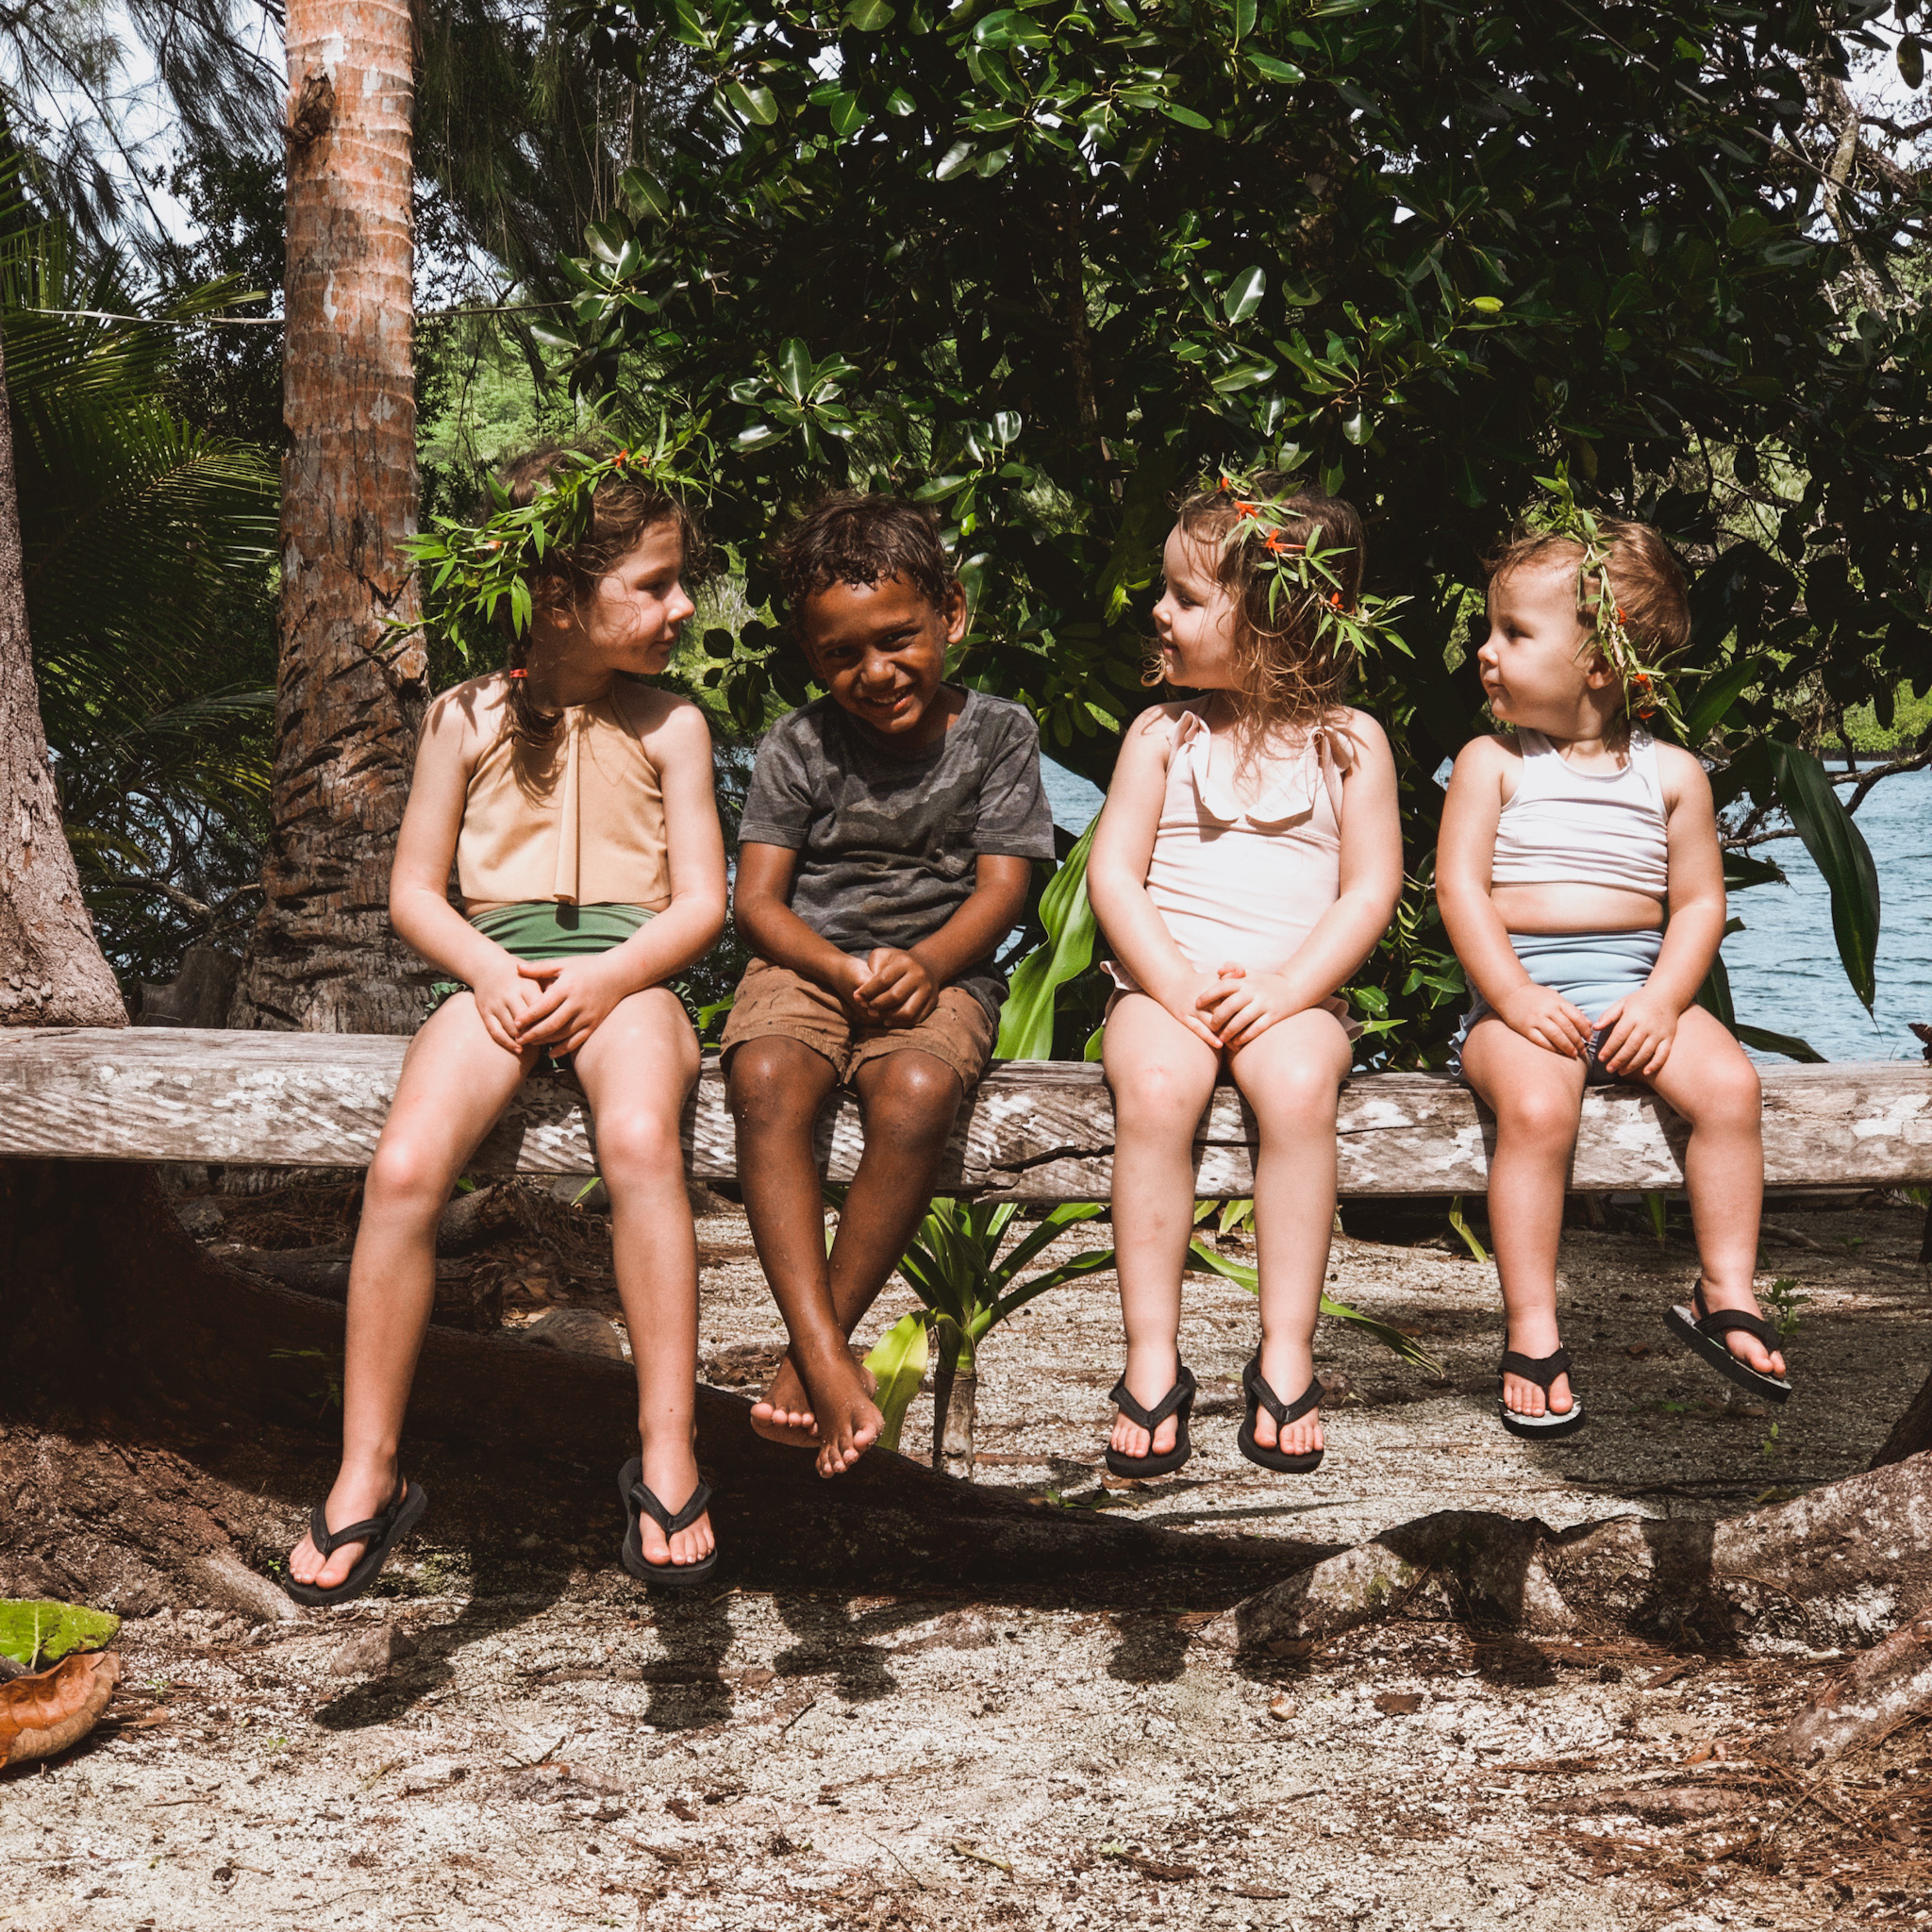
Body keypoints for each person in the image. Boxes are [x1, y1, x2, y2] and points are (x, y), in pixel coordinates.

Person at [282, 444, 728, 1602]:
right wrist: (490, 973)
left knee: (638, 1143)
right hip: (492, 978)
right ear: (561, 597)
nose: (683, 605)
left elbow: (701, 903)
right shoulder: (463, 718)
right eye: (657, 581)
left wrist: (607, 979)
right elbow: (414, 892)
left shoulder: (671, 724)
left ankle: (669, 1446)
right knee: (404, 1169)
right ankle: (365, 1469)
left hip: (628, 978)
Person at [1435, 492, 1789, 1441]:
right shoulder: (1490, 763)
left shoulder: (1669, 772)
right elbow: (1458, 890)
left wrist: (1664, 1002)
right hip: (1518, 1006)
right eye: (1489, 628)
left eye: (1511, 631)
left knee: (1727, 1085)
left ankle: (1723, 1288)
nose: (1485, 649)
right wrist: (1509, 994)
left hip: (1632, 989)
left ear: (1598, 658)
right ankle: (1531, 1326)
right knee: (1541, 1106)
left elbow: (1697, 903)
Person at [723, 494, 1056, 1478]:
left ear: (949, 612)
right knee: (767, 1077)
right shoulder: (798, 743)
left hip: (943, 968)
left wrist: (928, 963)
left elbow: (1005, 885)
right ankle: (829, 1359)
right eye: (840, 655)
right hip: (807, 963)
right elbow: (759, 901)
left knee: (913, 1094)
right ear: (810, 658)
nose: (873, 672)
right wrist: (832, 965)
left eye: (897, 638)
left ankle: (807, 1355)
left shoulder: (996, 734)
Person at [1086, 476, 1404, 1479]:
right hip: (1162, 987)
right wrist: (1172, 984)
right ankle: (1149, 1354)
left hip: (1291, 990)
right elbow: (1113, 876)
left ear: (1269, 621)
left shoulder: (1346, 742)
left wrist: (1287, 987)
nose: (1158, 613)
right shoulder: (1161, 737)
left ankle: (1284, 1346)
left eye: (1184, 597)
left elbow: (1365, 891)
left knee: (1300, 1085)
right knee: (1155, 1086)